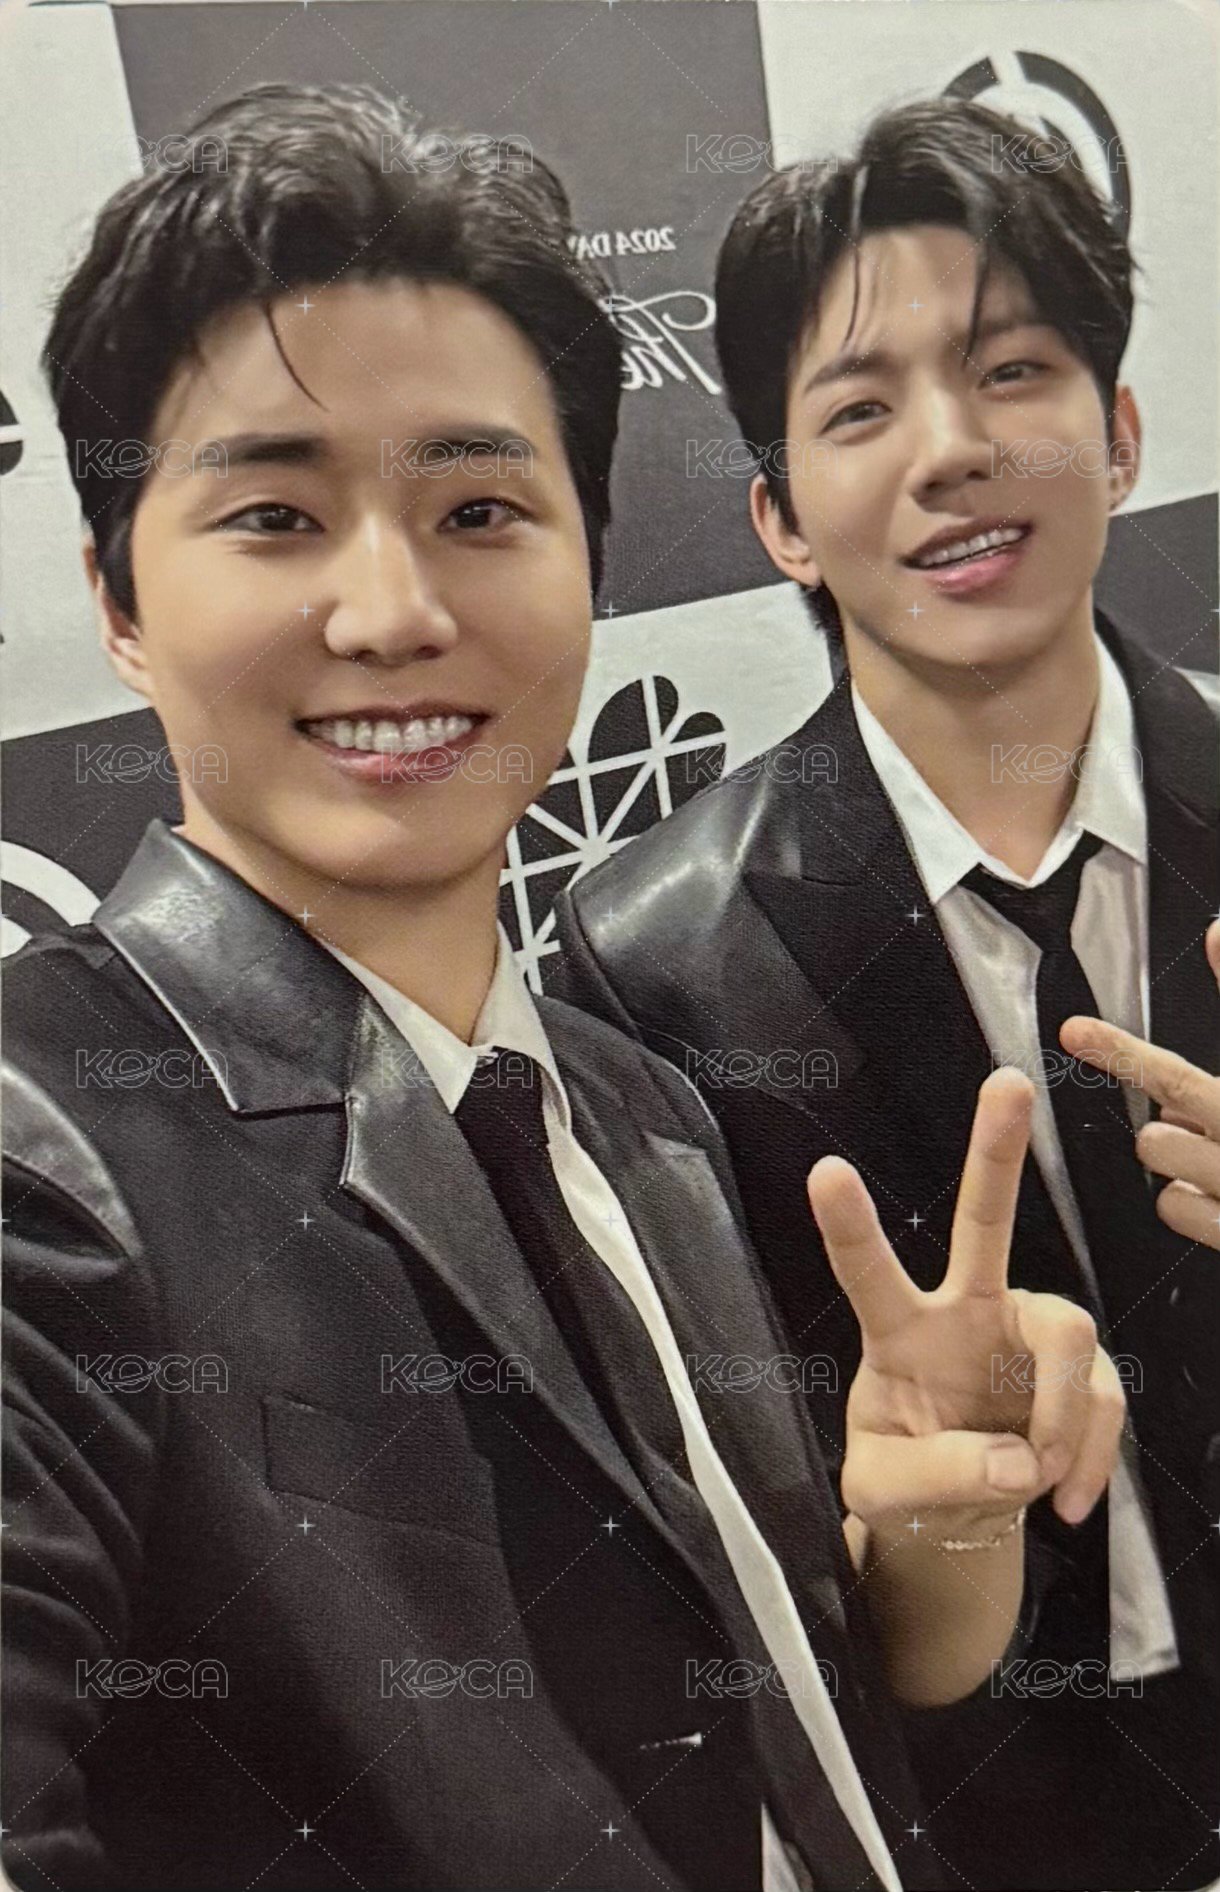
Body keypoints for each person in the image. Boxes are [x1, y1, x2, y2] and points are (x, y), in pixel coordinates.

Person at [0, 82, 1122, 1892]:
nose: (393, 612)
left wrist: (943, 1521)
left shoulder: (637, 1110)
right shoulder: (43, 1150)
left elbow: (802, 1726)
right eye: (275, 515)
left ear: (591, 562)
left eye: (478, 507)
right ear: (118, 601)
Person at [552, 96, 1220, 1890]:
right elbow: (741, 1554)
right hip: (979, 1824)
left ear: (1121, 431)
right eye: (860, 409)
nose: (952, 451)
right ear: (779, 517)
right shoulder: (653, 958)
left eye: (1012, 373)